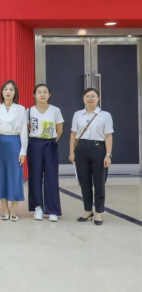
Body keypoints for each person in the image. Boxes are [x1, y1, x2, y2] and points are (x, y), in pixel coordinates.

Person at [69, 88, 113, 226]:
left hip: (98, 149)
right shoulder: (77, 114)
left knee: (99, 183)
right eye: (87, 96)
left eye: (93, 96)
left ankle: (98, 212)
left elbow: (108, 136)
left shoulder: (105, 115)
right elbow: (73, 134)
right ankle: (88, 210)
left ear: (98, 98)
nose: (90, 98)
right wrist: (71, 152)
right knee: (84, 182)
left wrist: (108, 155)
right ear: (83, 98)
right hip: (81, 149)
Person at [0, 80, 28, 221]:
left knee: (15, 176)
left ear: (15, 92)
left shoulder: (21, 109)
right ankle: (5, 209)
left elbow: (24, 130)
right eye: (5, 89)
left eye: (11, 89)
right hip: (0, 144)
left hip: (15, 143)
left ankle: (14, 210)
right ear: (2, 92)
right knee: (0, 176)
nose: (8, 92)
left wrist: (23, 151)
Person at [26, 84, 63, 222]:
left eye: (45, 92)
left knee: (51, 176)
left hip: (50, 144)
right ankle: (38, 208)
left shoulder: (55, 110)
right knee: (35, 176)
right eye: (39, 92)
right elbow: (26, 129)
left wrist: (51, 141)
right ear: (34, 95)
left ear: (49, 95)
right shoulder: (29, 111)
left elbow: (60, 130)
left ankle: (52, 210)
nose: (42, 94)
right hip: (35, 144)